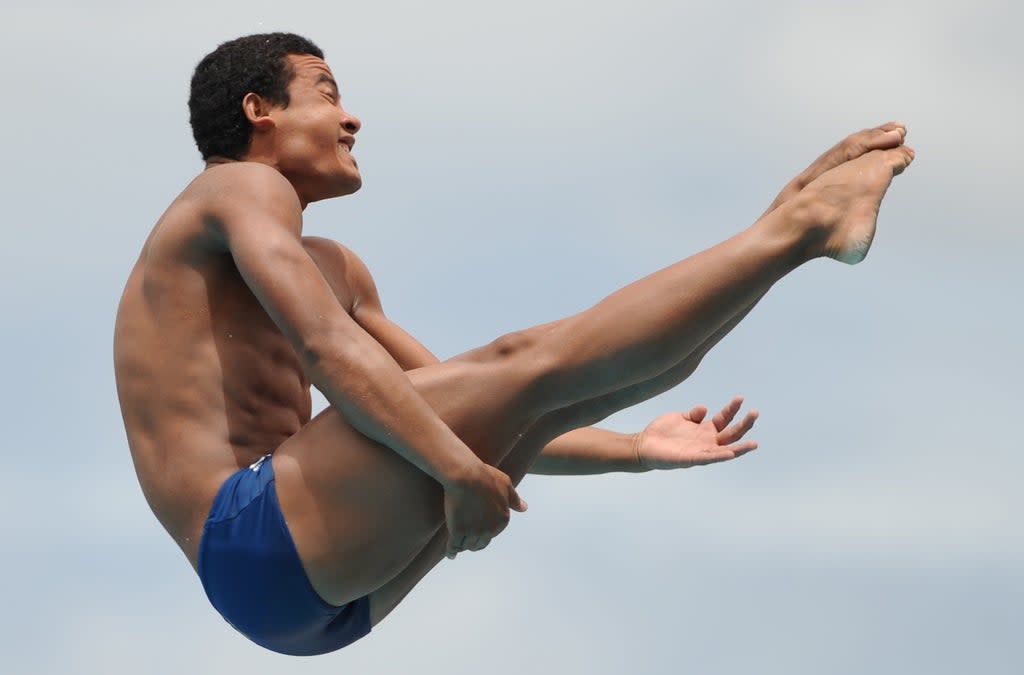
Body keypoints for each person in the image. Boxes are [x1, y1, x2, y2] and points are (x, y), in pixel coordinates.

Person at [113, 32, 914, 656]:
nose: (351, 116)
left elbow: (446, 398)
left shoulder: (334, 267)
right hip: (247, 536)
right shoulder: (234, 187)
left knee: (553, 388)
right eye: (327, 94)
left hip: (321, 602)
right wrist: (462, 476)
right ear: (260, 111)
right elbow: (334, 355)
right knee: (526, 359)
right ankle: (796, 226)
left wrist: (632, 447)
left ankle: (796, 233)